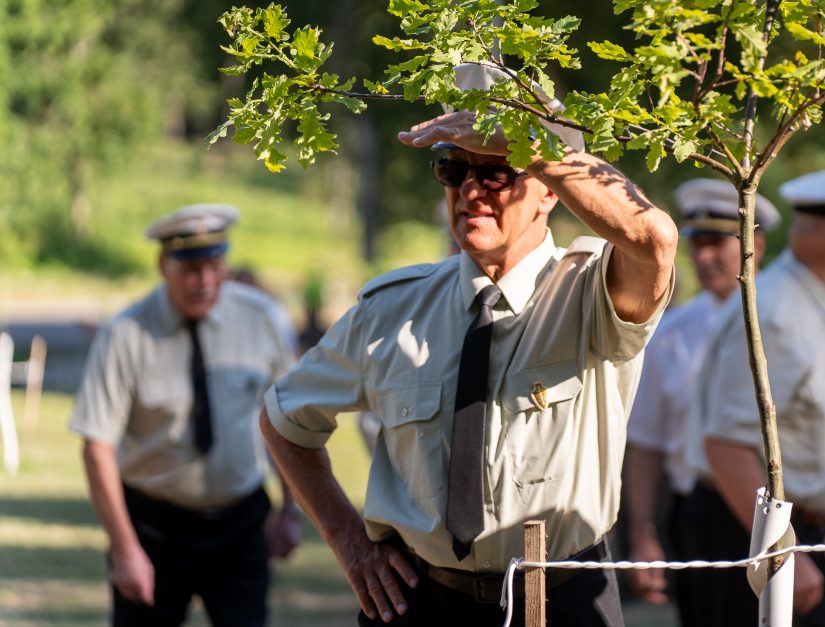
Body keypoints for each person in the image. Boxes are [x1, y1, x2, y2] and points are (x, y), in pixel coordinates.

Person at [258, 62, 678, 626]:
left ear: (549, 192)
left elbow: (655, 241)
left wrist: (531, 143)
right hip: (418, 600)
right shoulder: (392, 310)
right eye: (455, 169)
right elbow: (284, 419)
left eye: (498, 172)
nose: (472, 191)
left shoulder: (591, 295)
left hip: (557, 599)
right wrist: (346, 540)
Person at [680, 160, 825, 627]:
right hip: (751, 535)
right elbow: (727, 446)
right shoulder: (777, 312)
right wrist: (780, 555)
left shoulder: (811, 305)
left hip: (790, 530)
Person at [70, 204, 302, 627]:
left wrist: (289, 510)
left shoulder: (262, 318)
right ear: (163, 265)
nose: (205, 281)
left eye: (215, 265)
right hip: (154, 529)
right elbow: (97, 448)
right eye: (191, 269)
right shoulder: (126, 335)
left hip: (240, 524)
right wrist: (125, 550)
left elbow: (286, 421)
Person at [623, 179, 780, 617]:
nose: (704, 257)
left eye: (717, 242)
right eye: (696, 243)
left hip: (782, 503)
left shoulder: (787, 319)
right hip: (701, 512)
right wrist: (642, 532)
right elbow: (648, 441)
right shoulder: (671, 332)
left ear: (756, 243)